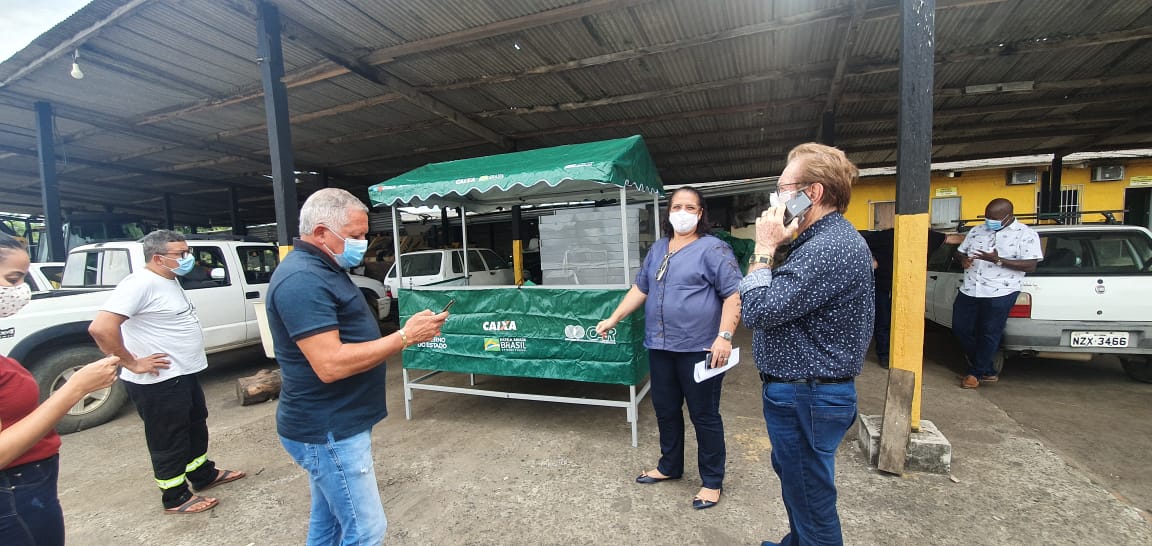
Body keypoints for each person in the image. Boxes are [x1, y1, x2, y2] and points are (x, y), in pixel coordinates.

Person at [265, 188, 447, 545]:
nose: (364, 244)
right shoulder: (302, 279)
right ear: (320, 233)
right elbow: (330, 364)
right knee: (366, 531)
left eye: (364, 235)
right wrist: (405, 337)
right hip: (328, 428)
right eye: (356, 236)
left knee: (330, 523)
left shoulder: (324, 268)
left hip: (336, 424)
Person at [739, 143, 874, 546]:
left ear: (811, 193)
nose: (776, 200)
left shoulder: (828, 247)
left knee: (812, 501)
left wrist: (764, 247)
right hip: (804, 392)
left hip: (807, 394)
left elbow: (758, 310)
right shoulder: (817, 240)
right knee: (798, 483)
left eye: (783, 189)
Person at [595, 187, 742, 511]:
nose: (683, 212)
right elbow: (641, 288)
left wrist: (725, 336)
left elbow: (733, 294)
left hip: (700, 349)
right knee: (665, 409)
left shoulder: (713, 249)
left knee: (704, 415)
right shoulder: (659, 248)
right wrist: (614, 317)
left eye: (690, 207)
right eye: (677, 206)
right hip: (661, 346)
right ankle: (669, 466)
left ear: (701, 213)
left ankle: (712, 481)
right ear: (668, 212)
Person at [89, 230, 246, 515]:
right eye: (181, 254)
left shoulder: (168, 279)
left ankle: (202, 475)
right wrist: (132, 362)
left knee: (195, 424)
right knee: (168, 437)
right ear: (158, 258)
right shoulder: (140, 284)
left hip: (183, 373)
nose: (189, 259)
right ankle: (174, 496)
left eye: (188, 251)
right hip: (158, 380)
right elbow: (101, 328)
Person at [1, 232, 120, 545]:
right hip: (14, 488)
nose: (20, 291)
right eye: (13, 279)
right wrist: (75, 388)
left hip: (30, 481)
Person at [953, 198, 1042, 389]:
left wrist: (998, 260)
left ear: (1008, 216)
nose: (988, 220)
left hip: (1001, 291)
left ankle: (975, 373)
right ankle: (988, 369)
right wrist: (962, 260)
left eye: (993, 218)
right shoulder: (976, 231)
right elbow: (959, 252)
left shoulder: (1026, 234)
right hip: (970, 288)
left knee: (989, 333)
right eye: (986, 216)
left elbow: (1031, 265)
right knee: (960, 328)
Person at [863, 228, 946, 367]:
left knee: (900, 322)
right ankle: (885, 355)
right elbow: (861, 245)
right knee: (883, 322)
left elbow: (948, 238)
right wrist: (871, 259)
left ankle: (898, 355)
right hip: (884, 286)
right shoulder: (882, 237)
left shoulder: (923, 235)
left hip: (907, 287)